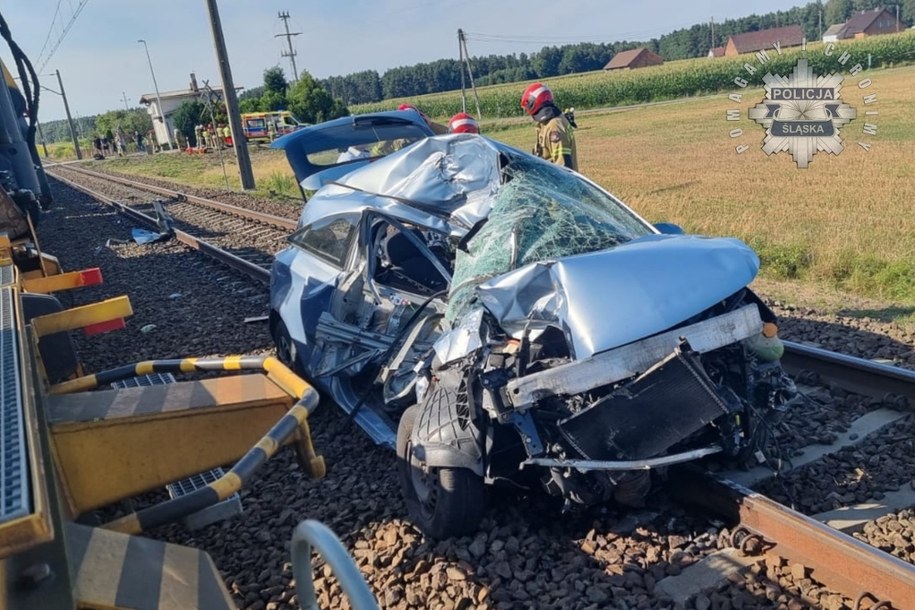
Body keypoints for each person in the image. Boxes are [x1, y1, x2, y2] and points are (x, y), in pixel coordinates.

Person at [520, 82, 577, 171]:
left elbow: (563, 167)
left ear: (533, 103)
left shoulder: (554, 126)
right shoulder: (545, 124)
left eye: (527, 106)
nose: (527, 111)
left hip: (557, 179)